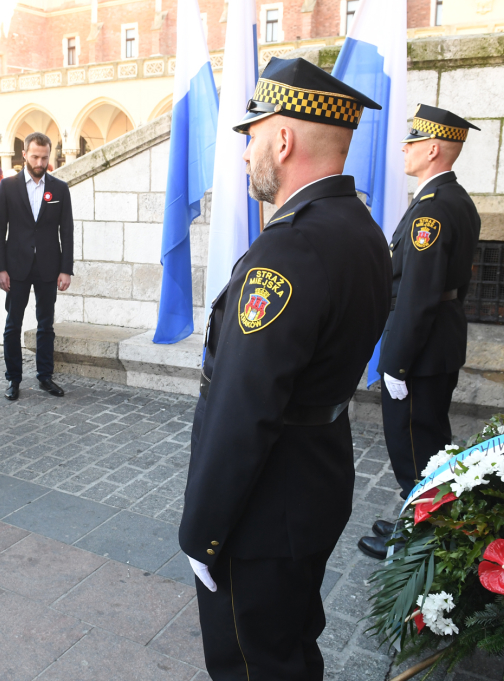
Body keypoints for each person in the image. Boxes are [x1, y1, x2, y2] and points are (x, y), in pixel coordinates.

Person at [178, 58, 391, 679]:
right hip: (316, 475)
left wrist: (204, 532)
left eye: (252, 134)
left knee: (250, 661)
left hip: (265, 507)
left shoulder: (292, 245)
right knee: (291, 646)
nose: (245, 151)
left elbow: (244, 406)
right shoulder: (361, 229)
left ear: (285, 138)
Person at [357, 105, 482, 561]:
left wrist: (397, 362)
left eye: (412, 141)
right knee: (428, 441)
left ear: (433, 148)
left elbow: (419, 292)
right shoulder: (455, 199)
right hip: (438, 342)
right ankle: (423, 519)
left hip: (421, 349)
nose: (404, 148)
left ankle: (422, 543)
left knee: (414, 447)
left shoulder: (433, 210)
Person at [0, 132, 74, 401]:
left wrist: (66, 268)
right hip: (16, 267)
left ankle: (45, 376)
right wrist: (0, 268)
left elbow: (67, 231)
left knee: (46, 324)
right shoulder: (7, 187)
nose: (40, 161)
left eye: (45, 157)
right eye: (35, 156)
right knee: (12, 325)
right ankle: (13, 379)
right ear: (24, 154)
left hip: (49, 267)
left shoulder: (59, 189)